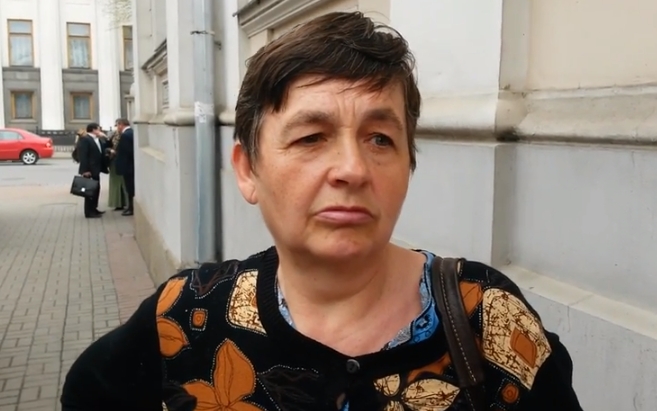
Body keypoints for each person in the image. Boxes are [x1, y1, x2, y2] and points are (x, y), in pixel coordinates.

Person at [60, 12, 582, 411]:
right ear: (248, 170)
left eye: (381, 138)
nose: (353, 169)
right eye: (311, 137)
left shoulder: (487, 319)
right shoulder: (187, 318)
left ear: (409, 163)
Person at [77, 122, 107, 219]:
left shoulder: (97, 139)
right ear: (94, 130)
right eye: (98, 129)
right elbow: (83, 156)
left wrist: (105, 137)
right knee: (90, 191)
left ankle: (94, 208)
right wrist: (85, 170)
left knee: (96, 189)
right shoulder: (85, 139)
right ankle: (89, 212)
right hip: (89, 170)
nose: (100, 131)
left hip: (96, 169)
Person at [113, 118, 134, 216]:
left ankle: (131, 208)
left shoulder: (125, 135)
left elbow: (126, 152)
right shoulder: (131, 132)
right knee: (130, 187)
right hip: (130, 166)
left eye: (117, 125)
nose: (117, 128)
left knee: (130, 188)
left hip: (128, 167)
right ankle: (130, 207)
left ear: (121, 124)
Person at [106, 130, 129, 210]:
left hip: (117, 162)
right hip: (115, 163)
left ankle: (120, 203)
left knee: (120, 184)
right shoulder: (115, 135)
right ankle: (120, 203)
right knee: (119, 184)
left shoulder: (119, 135)